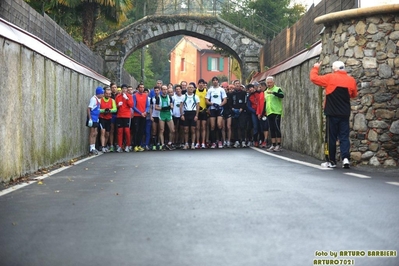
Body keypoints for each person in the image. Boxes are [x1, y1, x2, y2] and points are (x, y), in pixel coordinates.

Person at [310, 61, 358, 168]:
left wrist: (315, 68)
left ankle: (331, 161)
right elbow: (354, 94)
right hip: (344, 113)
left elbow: (314, 78)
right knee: (344, 136)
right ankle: (345, 158)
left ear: (334, 69)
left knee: (330, 137)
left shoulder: (330, 77)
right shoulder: (351, 80)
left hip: (331, 113)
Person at [206, 76, 227, 149]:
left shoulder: (221, 90)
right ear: (212, 82)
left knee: (219, 125)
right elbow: (207, 100)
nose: (215, 81)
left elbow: (225, 100)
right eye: (213, 80)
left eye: (216, 80)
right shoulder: (210, 90)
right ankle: (213, 142)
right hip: (212, 109)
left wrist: (220, 105)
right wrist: (212, 104)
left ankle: (220, 141)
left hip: (219, 109)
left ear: (218, 82)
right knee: (212, 126)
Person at [264, 76, 284, 152]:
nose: (269, 84)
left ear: (273, 82)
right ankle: (273, 144)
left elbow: (282, 95)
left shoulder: (277, 89)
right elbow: (265, 102)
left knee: (277, 128)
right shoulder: (265, 92)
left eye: (270, 82)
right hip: (269, 112)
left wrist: (274, 93)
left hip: (276, 111)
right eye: (267, 83)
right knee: (271, 128)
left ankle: (278, 144)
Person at [180, 83, 200, 150]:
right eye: (189, 87)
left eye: (192, 87)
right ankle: (186, 144)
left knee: (193, 130)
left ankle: (193, 144)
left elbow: (198, 106)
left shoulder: (196, 97)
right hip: (186, 113)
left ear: (194, 89)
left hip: (193, 113)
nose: (190, 89)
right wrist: (182, 114)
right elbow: (181, 106)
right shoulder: (183, 96)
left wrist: (196, 115)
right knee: (186, 130)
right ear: (187, 88)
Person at [115, 84, 134, 152]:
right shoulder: (118, 96)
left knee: (127, 131)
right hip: (120, 115)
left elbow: (131, 105)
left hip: (126, 115)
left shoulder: (129, 96)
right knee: (120, 131)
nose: (124, 90)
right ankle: (120, 146)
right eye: (123, 88)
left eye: (125, 89)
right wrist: (118, 105)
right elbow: (115, 107)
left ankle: (128, 145)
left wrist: (127, 99)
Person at [156, 85, 175, 150]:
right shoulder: (158, 97)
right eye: (163, 89)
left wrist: (169, 107)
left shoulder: (169, 97)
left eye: (166, 89)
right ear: (161, 90)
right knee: (161, 130)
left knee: (172, 130)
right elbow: (156, 107)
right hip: (162, 114)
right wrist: (162, 108)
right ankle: (163, 144)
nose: (165, 90)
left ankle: (169, 143)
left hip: (168, 114)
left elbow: (172, 106)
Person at [230, 80, 247, 148]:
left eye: (238, 83)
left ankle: (243, 141)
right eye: (236, 83)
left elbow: (245, 102)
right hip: (234, 111)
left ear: (240, 84)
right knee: (235, 127)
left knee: (242, 126)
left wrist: (242, 108)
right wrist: (232, 109)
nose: (237, 85)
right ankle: (236, 141)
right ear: (234, 85)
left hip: (241, 111)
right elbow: (229, 103)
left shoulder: (243, 93)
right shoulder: (232, 94)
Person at [132, 83, 149, 152]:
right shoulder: (135, 96)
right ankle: (135, 145)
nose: (142, 88)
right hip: (137, 115)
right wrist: (140, 113)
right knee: (136, 130)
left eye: (143, 87)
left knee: (141, 131)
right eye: (140, 87)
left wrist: (145, 112)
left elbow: (147, 105)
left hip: (143, 115)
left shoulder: (145, 96)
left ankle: (139, 145)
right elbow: (133, 106)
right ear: (138, 88)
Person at [99, 87, 117, 152]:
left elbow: (115, 109)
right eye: (107, 94)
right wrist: (104, 110)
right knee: (102, 132)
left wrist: (109, 110)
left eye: (109, 94)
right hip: (102, 118)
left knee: (107, 134)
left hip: (109, 118)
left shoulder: (112, 100)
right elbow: (97, 109)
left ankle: (105, 145)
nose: (108, 95)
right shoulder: (100, 100)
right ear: (104, 94)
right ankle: (103, 146)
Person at [86, 86, 104, 154]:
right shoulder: (93, 99)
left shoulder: (98, 99)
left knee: (95, 133)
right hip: (92, 118)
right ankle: (91, 148)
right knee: (92, 133)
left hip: (96, 118)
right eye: (102, 93)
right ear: (99, 93)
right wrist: (90, 119)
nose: (103, 95)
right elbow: (88, 108)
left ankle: (93, 146)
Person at [195, 78, 208, 149]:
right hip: (197, 112)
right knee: (197, 128)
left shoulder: (206, 91)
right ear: (198, 84)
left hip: (204, 111)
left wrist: (206, 109)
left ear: (203, 84)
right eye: (199, 83)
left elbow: (208, 101)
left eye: (202, 83)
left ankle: (203, 142)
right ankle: (197, 142)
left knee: (203, 127)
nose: (201, 84)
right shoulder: (195, 91)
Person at [257, 82, 269, 148]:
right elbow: (259, 104)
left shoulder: (267, 93)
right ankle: (263, 140)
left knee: (266, 127)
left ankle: (266, 140)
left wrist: (262, 113)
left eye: (260, 87)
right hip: (261, 113)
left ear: (264, 86)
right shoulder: (261, 94)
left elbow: (265, 104)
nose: (259, 88)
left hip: (266, 113)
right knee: (262, 128)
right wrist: (258, 113)